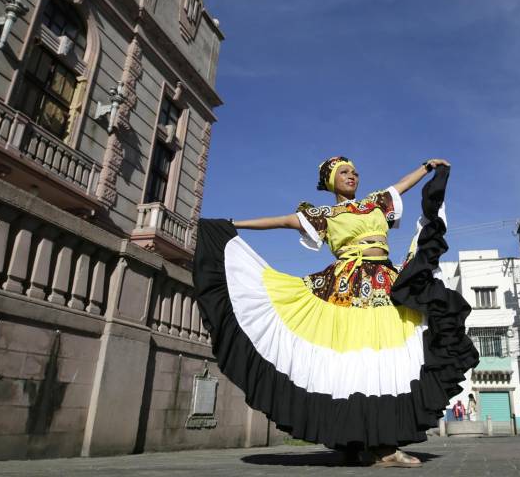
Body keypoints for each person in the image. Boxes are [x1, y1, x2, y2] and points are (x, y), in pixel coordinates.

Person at [193, 157, 478, 468]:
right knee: (353, 368)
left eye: (355, 172)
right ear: (331, 181)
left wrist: (427, 168)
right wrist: (232, 225)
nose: (352, 176)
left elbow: (402, 186)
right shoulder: (323, 215)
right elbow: (281, 221)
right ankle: (361, 444)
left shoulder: (375, 203)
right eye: (344, 172)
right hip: (344, 289)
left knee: (385, 364)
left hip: (385, 283)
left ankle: (381, 445)